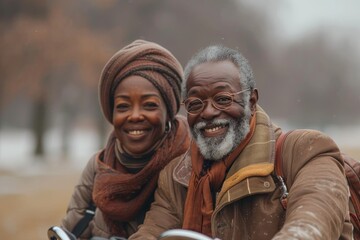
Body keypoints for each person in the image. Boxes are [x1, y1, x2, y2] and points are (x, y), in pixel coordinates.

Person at [129, 45, 353, 239]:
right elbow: (151, 232)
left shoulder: (305, 151)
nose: (208, 112)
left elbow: (313, 222)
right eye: (195, 104)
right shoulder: (176, 177)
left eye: (223, 99)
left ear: (251, 101)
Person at [56, 39, 190, 239]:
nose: (135, 116)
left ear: (168, 111)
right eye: (123, 106)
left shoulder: (189, 167)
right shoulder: (99, 166)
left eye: (149, 105)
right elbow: (70, 230)